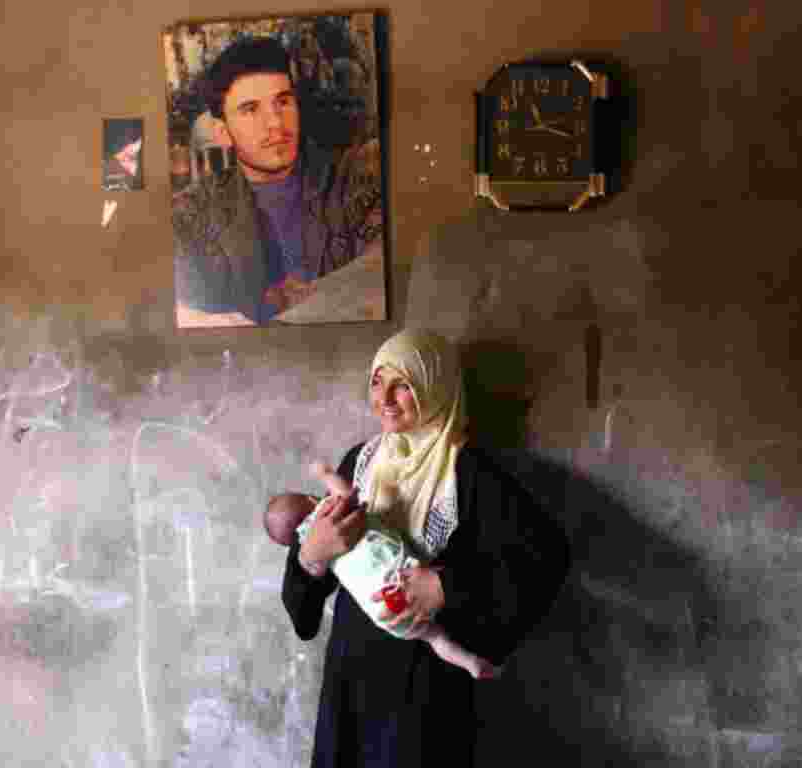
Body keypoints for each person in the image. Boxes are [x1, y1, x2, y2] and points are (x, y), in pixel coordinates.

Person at [278, 329, 571, 768]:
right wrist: (311, 555)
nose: (386, 398)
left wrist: (446, 586)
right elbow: (304, 605)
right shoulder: (358, 462)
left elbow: (544, 558)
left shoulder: (468, 472)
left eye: (404, 385)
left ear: (434, 388)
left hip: (424, 693)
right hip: (351, 684)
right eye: (378, 381)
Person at [172, 35, 383, 325]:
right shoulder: (191, 212)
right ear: (222, 132)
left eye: (283, 102)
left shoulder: (354, 178)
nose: (275, 122)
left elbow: (385, 274)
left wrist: (312, 296)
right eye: (250, 109)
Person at [265, 462, 499, 680]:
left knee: (435, 637)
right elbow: (303, 621)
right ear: (310, 498)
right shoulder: (327, 509)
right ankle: (471, 658)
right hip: (403, 575)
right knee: (440, 603)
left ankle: (469, 662)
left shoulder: (306, 538)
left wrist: (311, 560)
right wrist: (325, 475)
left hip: (384, 612)